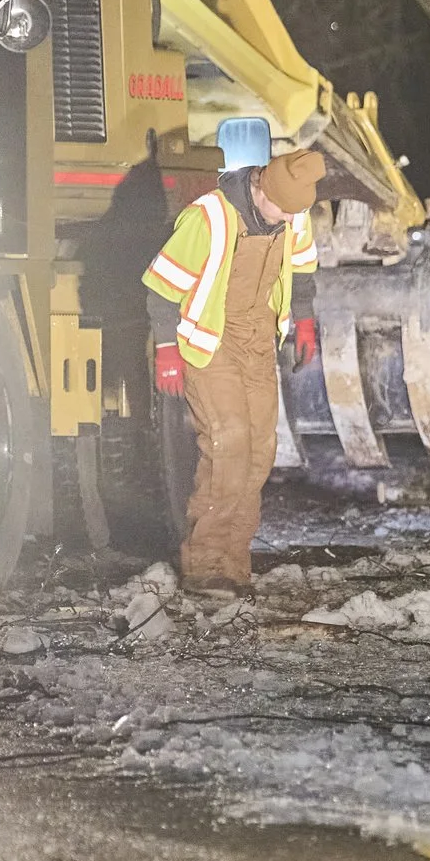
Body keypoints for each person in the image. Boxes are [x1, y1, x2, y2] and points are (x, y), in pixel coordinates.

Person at [142, 148, 323, 593]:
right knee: (229, 444)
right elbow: (162, 288)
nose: (285, 218)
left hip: (259, 341)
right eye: (279, 208)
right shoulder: (208, 218)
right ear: (259, 188)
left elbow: (302, 266)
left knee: (260, 451)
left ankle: (233, 565)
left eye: (294, 211)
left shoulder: (293, 213)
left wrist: (303, 318)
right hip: (210, 344)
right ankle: (205, 567)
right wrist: (166, 346)